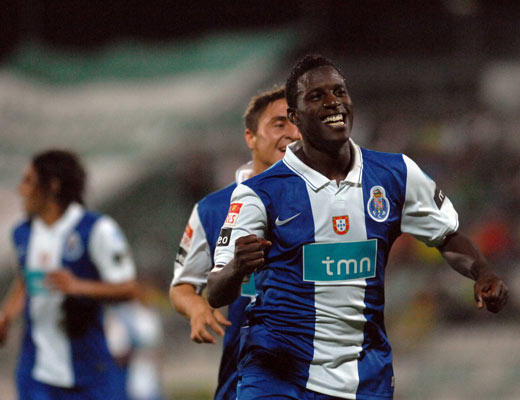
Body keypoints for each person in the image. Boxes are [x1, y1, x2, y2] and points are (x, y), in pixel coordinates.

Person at [207, 54, 509, 400]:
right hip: (277, 375)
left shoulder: (396, 174)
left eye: (339, 92)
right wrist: (237, 267)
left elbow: (446, 236)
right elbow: (215, 291)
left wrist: (482, 272)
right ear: (294, 117)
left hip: (364, 377)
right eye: (316, 96)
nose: (333, 102)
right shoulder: (258, 193)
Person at [169, 86, 301, 399]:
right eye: (279, 124)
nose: (293, 134)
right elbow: (181, 287)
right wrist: (197, 307)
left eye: (299, 124)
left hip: (321, 376)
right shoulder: (213, 209)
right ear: (250, 137)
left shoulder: (331, 196)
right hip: (246, 377)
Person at [0, 149, 138, 400]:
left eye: (29, 181)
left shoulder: (96, 229)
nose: (21, 190)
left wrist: (79, 287)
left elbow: (129, 289)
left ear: (53, 186)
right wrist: (6, 315)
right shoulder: (22, 233)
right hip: (34, 371)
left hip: (86, 371)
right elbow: (25, 280)